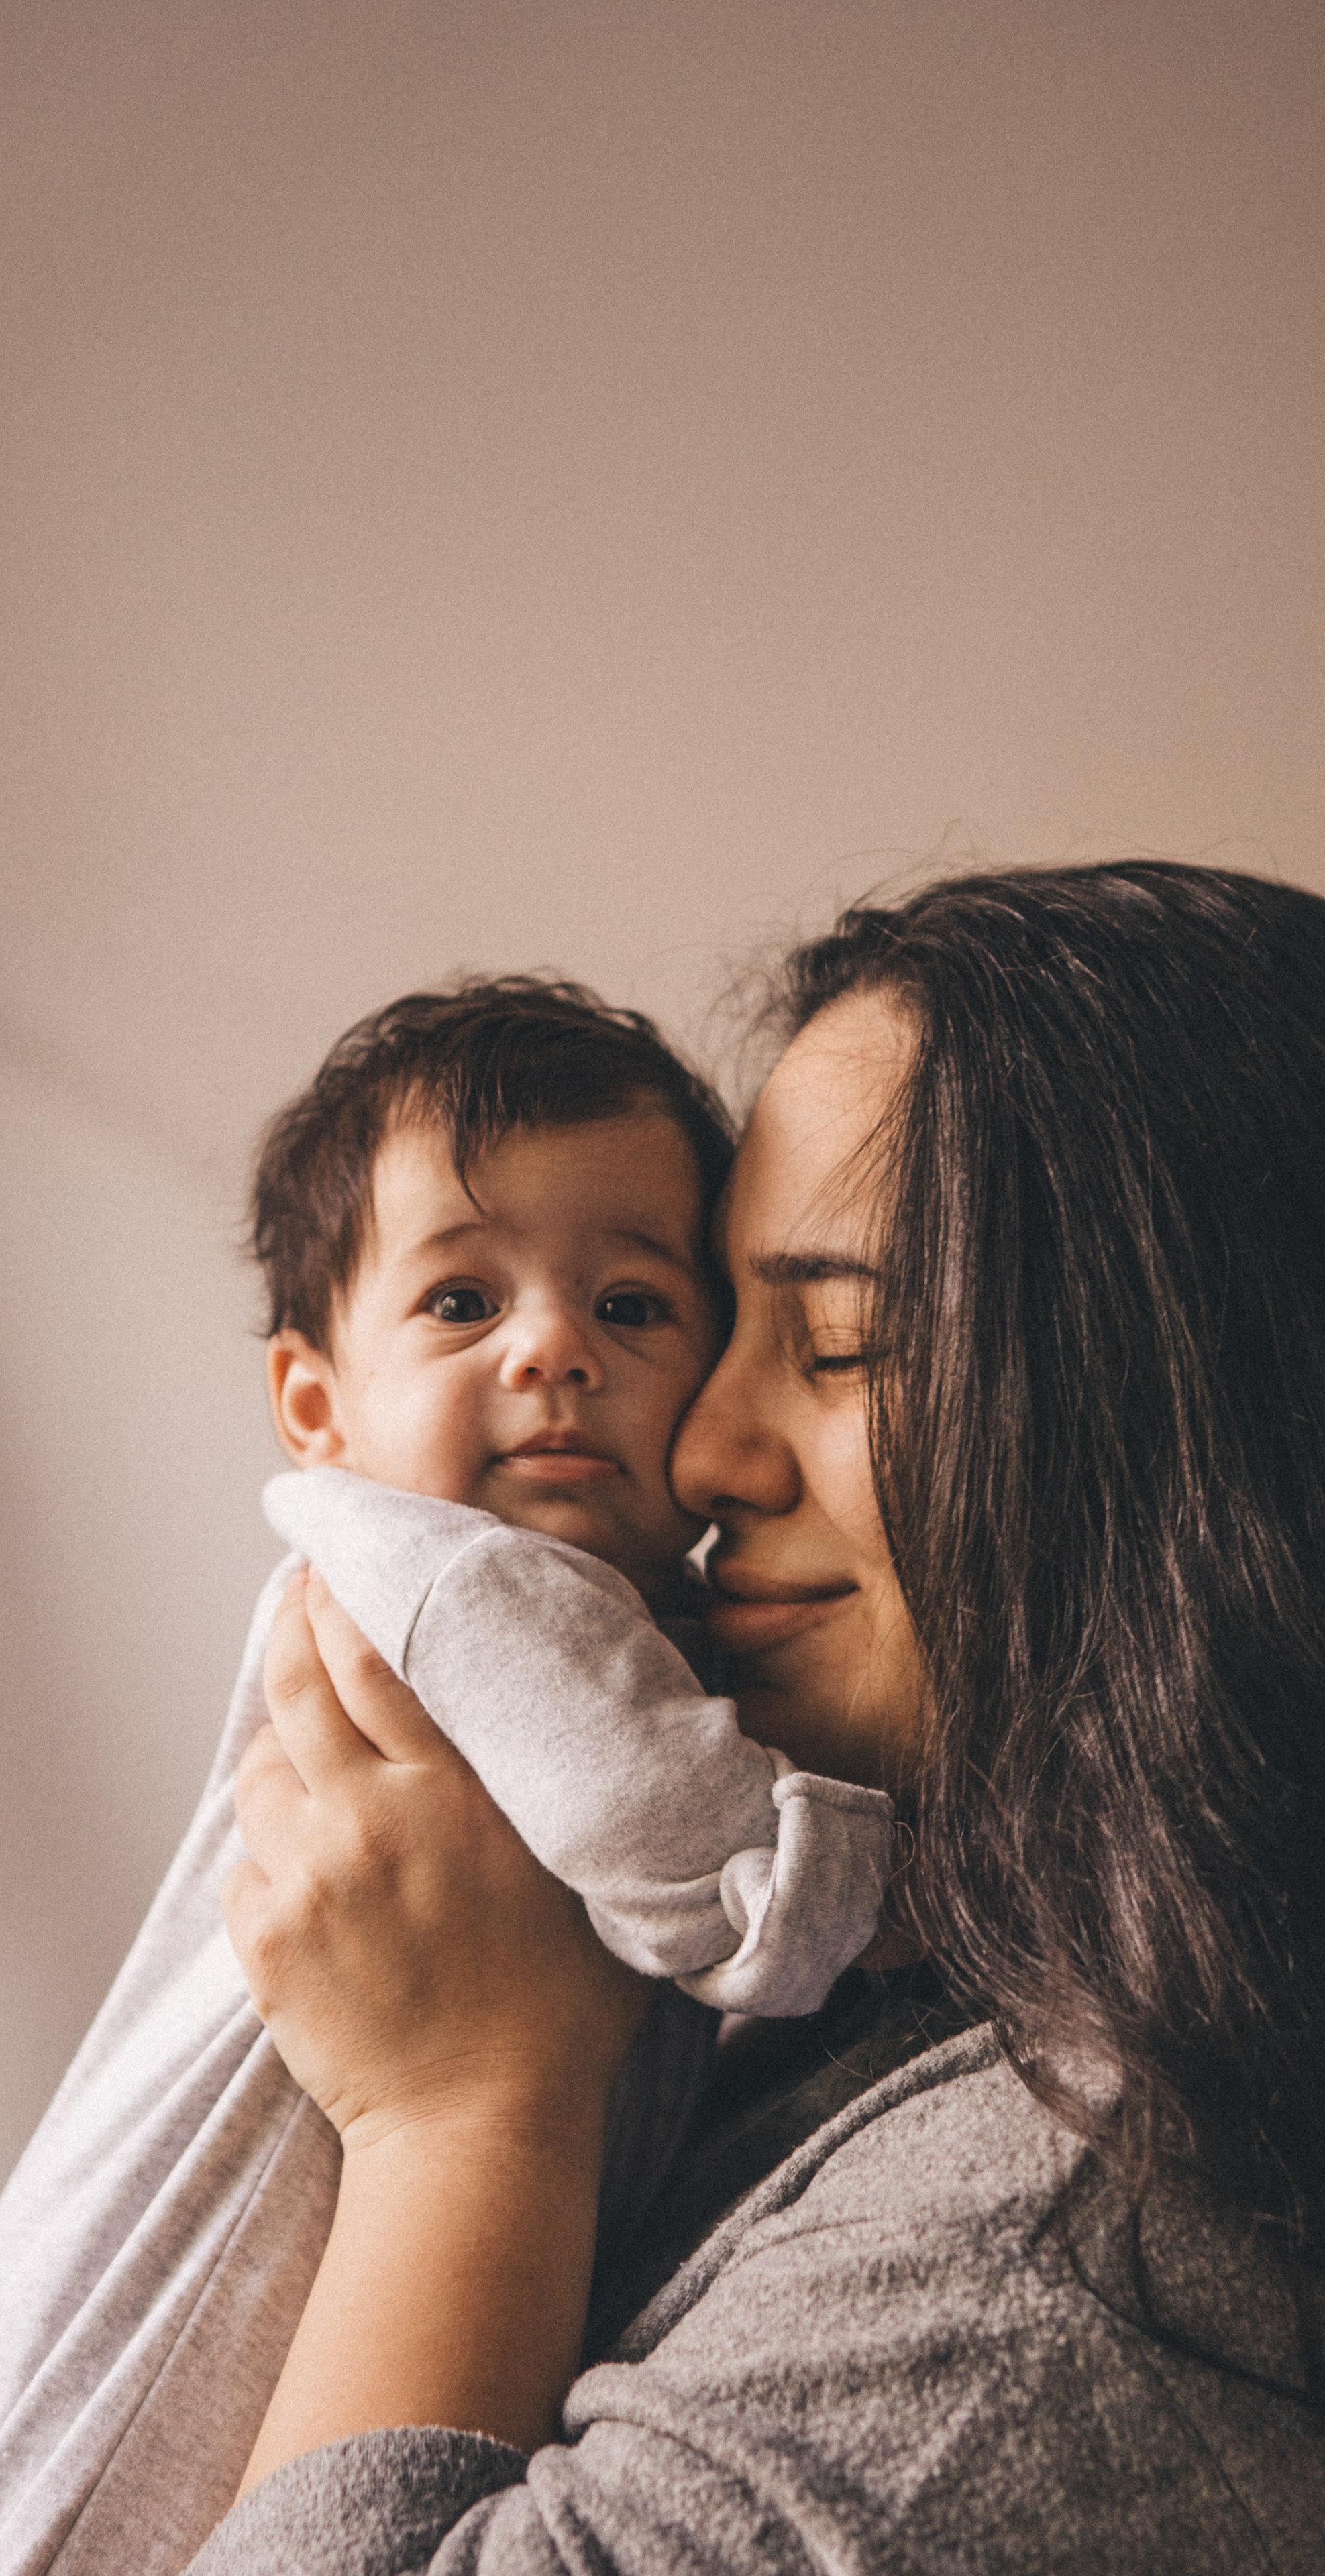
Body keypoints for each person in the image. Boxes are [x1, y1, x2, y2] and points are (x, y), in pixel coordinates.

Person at [197, 863, 1325, 2573]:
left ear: (1193, 1419)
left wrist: (466, 2116)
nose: (702, 1458)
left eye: (843, 1342)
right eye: (721, 1330)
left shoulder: (1081, 2290)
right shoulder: (990, 1964)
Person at [0, 980, 890, 2576]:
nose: (551, 1347)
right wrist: (845, 1892)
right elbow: (671, 1834)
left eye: (631, 1306)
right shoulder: (440, 1576)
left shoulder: (645, 1618)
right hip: (152, 2351)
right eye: (459, 1303)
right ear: (316, 1406)